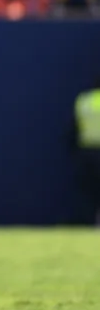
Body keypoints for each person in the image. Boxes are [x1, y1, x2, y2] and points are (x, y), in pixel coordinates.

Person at [72, 78, 100, 225]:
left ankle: (91, 223)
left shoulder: (84, 101)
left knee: (91, 192)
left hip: (87, 153)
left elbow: (75, 128)